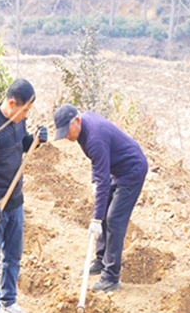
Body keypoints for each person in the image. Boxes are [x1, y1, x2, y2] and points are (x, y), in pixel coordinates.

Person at [0, 79, 47, 313]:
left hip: (15, 199)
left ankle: (8, 301)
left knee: (13, 254)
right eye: (25, 110)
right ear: (12, 103)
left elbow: (21, 144)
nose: (27, 115)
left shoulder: (19, 121)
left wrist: (35, 139)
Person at [53, 104, 148, 293]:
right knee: (104, 211)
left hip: (132, 170)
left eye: (66, 131)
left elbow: (103, 178)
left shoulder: (94, 138)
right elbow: (98, 166)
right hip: (117, 169)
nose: (66, 136)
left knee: (114, 219)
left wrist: (96, 219)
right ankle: (101, 260)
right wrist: (94, 184)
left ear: (77, 121)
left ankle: (111, 276)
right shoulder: (83, 129)